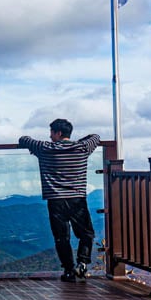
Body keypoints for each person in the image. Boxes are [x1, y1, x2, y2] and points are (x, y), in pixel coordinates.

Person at [19, 119, 101, 283]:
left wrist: (32, 146)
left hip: (55, 200)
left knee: (61, 237)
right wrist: (77, 141)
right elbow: (95, 136)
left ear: (58, 133)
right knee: (86, 233)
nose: (49, 136)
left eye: (51, 132)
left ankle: (69, 270)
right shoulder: (82, 148)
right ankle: (83, 262)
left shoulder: (44, 148)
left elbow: (24, 139)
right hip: (77, 199)